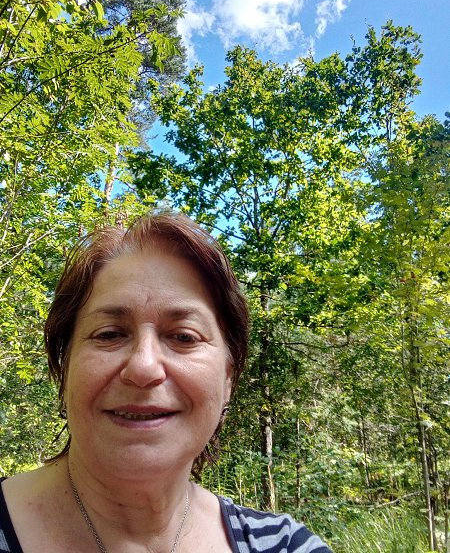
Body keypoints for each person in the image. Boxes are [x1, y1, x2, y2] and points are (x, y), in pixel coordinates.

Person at [0, 211, 332, 553]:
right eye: (109, 334)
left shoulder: (285, 545)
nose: (144, 368)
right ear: (64, 365)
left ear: (228, 378)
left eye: (184, 337)